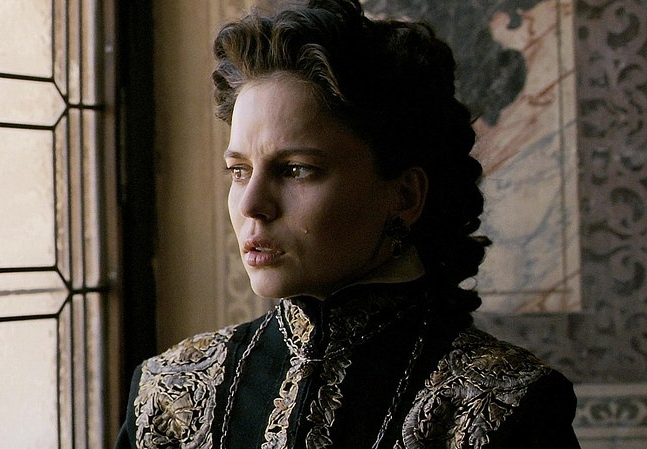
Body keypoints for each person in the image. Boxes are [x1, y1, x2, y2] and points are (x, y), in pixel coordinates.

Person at [114, 0, 581, 447]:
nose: (252, 204)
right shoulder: (168, 392)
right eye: (239, 170)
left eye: (295, 169)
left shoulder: (502, 407)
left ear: (404, 195)